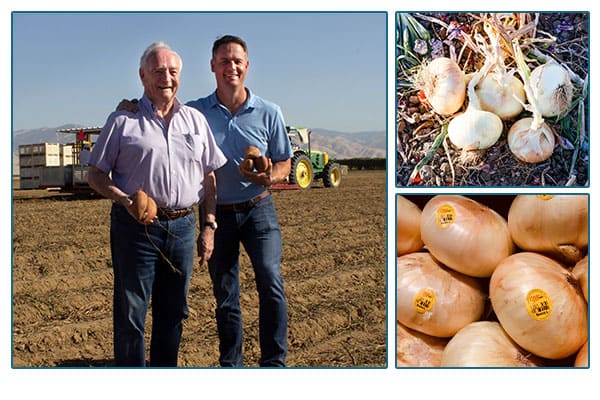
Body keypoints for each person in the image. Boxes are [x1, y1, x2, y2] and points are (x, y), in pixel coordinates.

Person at [88, 41, 227, 367]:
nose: (167, 77)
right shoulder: (123, 121)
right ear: (142, 75)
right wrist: (124, 200)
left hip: (182, 225)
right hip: (134, 227)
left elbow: (209, 178)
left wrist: (208, 225)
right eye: (158, 71)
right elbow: (95, 174)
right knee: (131, 312)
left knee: (174, 310)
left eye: (173, 71)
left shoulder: (195, 120)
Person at [186, 35, 292, 367]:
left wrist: (269, 177)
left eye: (237, 61)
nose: (231, 66)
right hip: (218, 216)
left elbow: (285, 162)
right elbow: (159, 109)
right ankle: (231, 366)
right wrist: (130, 105)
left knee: (270, 282)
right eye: (224, 60)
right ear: (212, 66)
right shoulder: (195, 112)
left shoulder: (269, 111)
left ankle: (274, 364)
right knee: (226, 296)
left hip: (259, 208)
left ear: (246, 66)